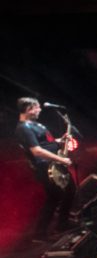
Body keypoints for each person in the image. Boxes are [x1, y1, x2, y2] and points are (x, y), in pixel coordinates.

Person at [15, 97, 76, 236]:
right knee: (54, 197)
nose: (40, 110)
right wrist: (62, 159)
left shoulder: (35, 125)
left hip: (55, 164)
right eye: (37, 107)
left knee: (68, 191)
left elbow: (46, 142)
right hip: (46, 167)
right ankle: (40, 233)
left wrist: (61, 140)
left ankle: (62, 224)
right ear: (29, 109)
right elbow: (37, 150)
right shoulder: (24, 128)